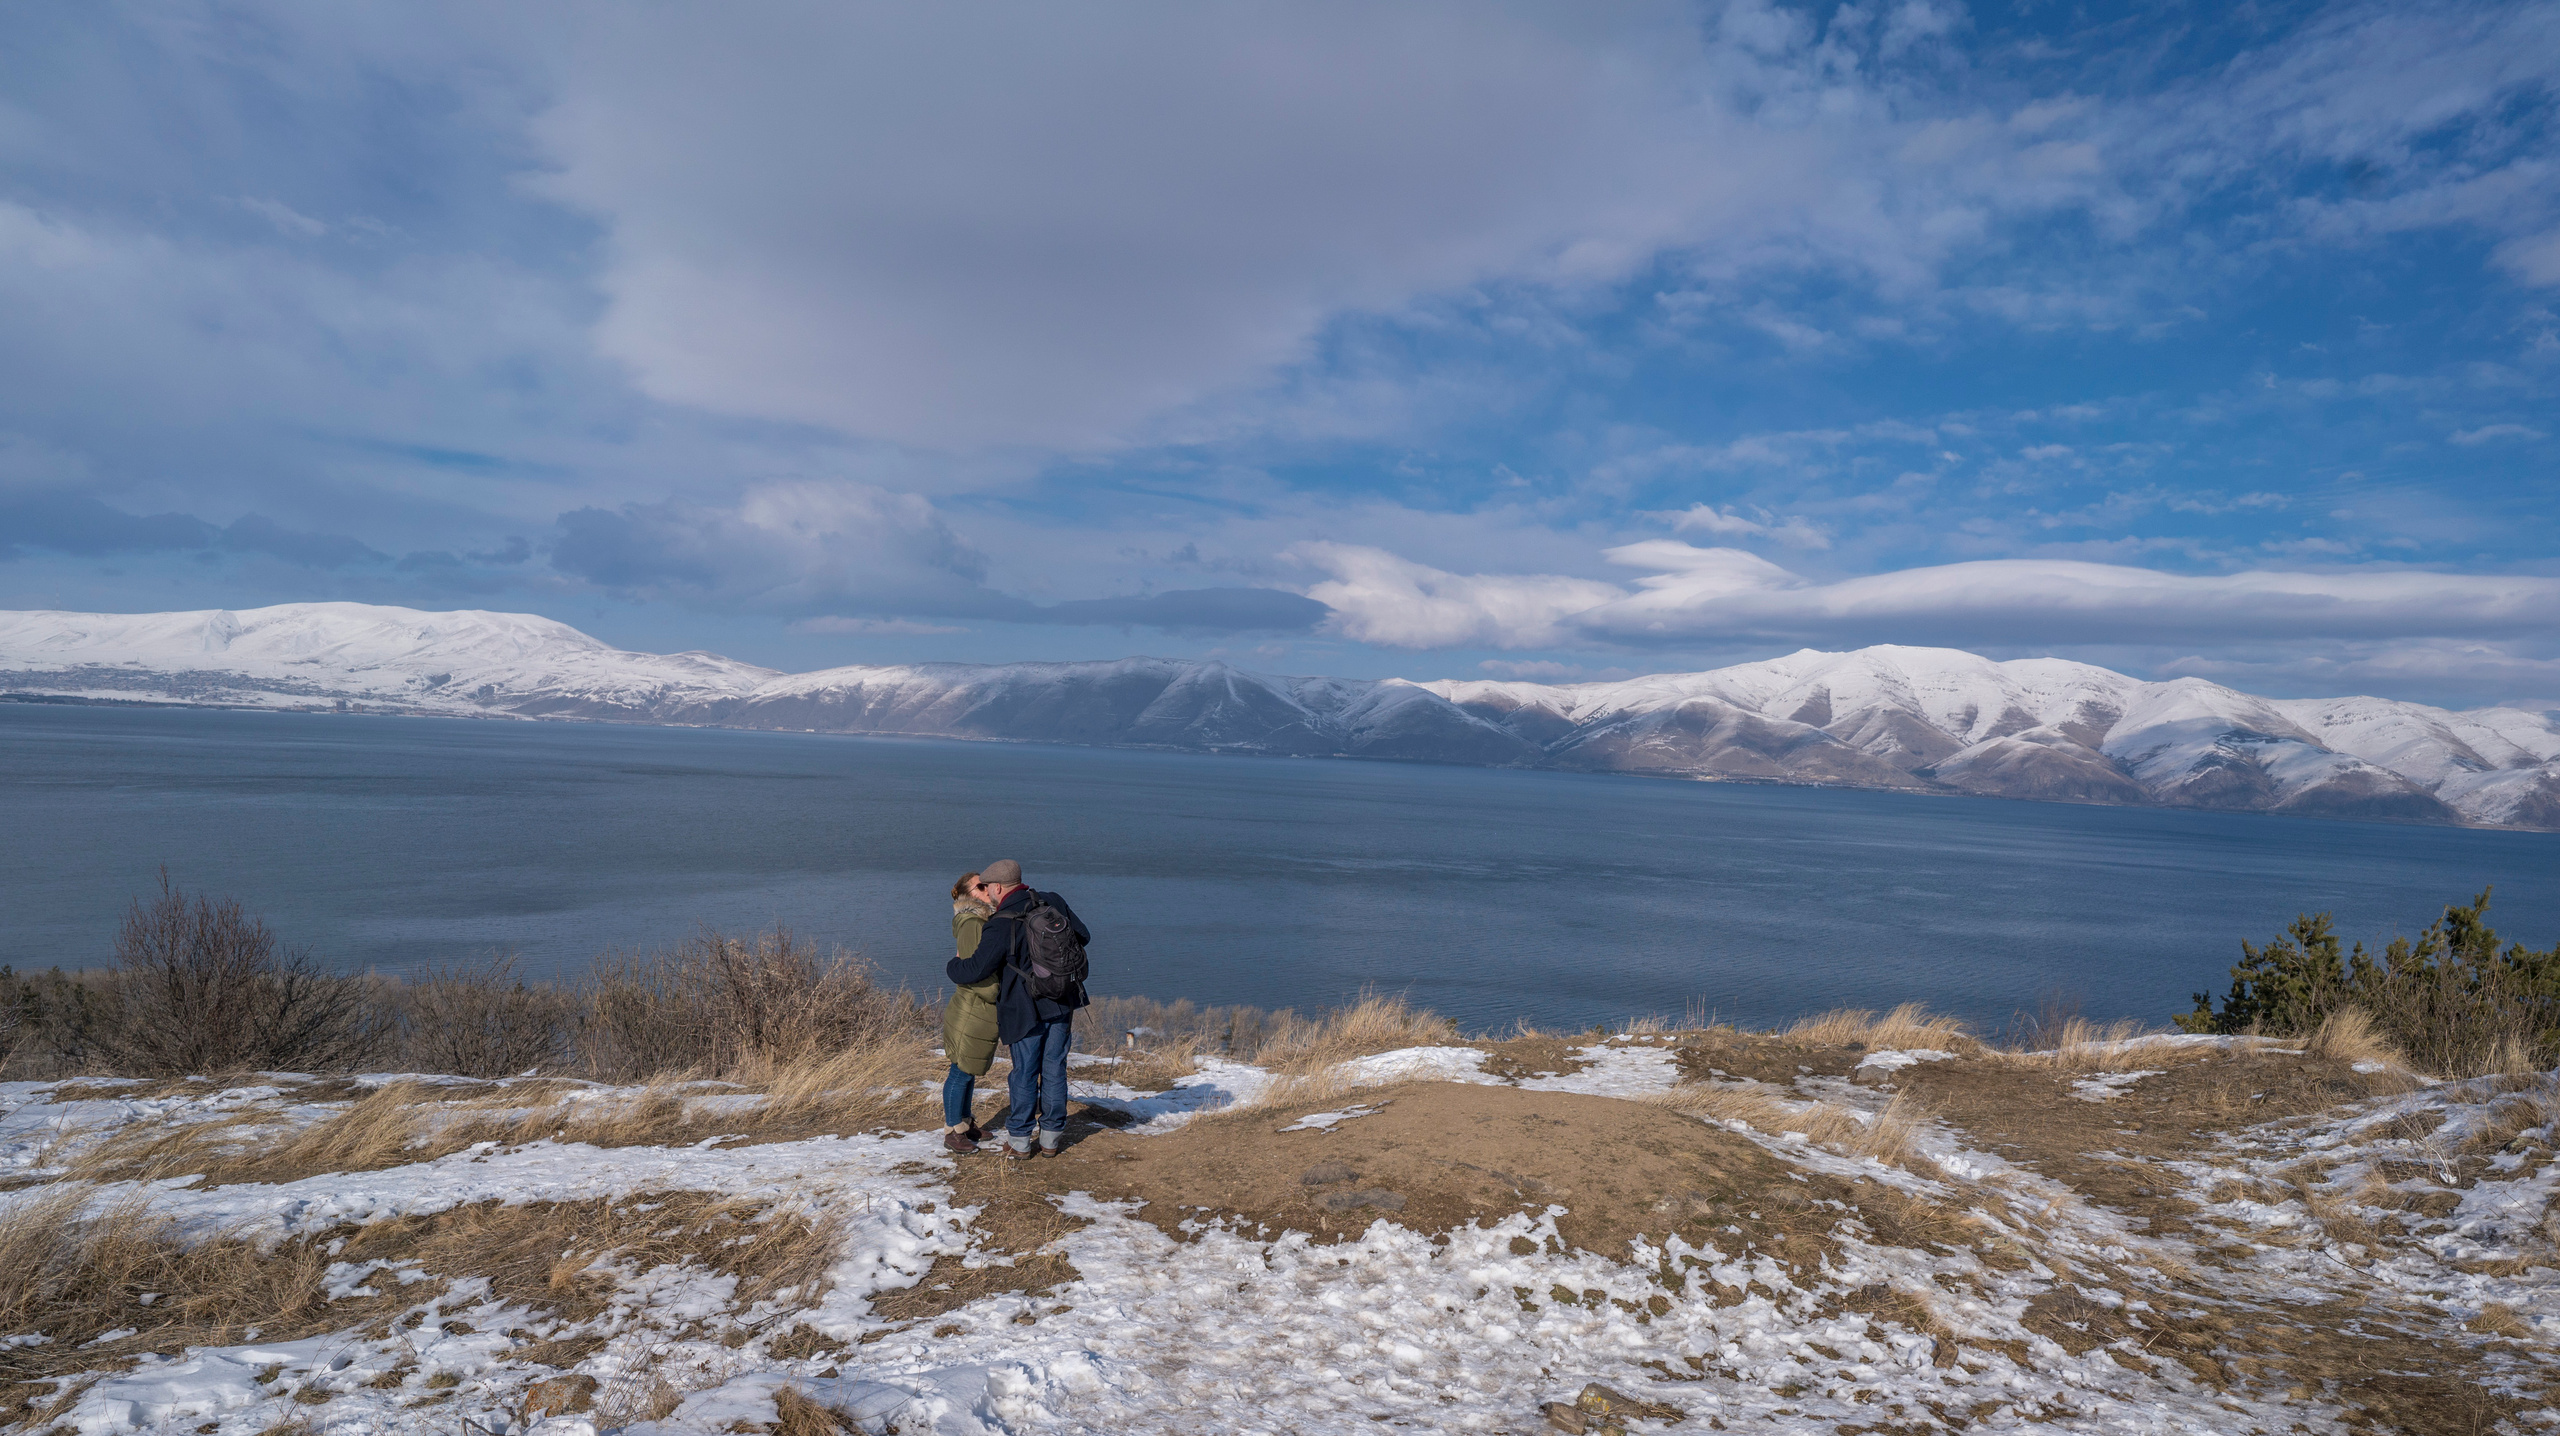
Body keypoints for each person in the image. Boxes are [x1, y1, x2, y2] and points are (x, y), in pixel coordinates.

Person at [946, 858, 1090, 1159]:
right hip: (1063, 1000)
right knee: (1054, 1068)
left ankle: (1021, 1141)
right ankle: (1051, 1139)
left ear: (998, 887)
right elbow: (1083, 936)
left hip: (1024, 1009)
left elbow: (975, 969)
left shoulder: (1001, 922)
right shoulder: (1053, 901)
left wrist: (953, 964)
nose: (987, 892)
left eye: (987, 887)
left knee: (1024, 1072)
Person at [938, 872, 1000, 1154]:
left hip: (975, 1010)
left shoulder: (981, 920)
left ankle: (964, 1124)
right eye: (980, 886)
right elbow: (975, 973)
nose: (986, 888)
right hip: (972, 1010)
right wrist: (998, 992)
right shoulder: (973, 923)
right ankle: (953, 1131)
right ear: (969, 894)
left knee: (968, 1070)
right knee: (960, 1072)